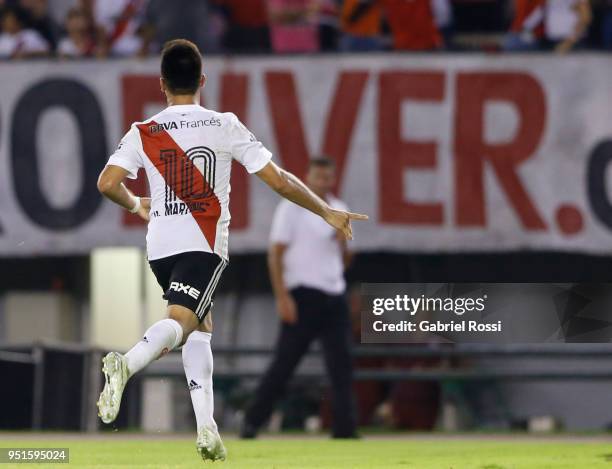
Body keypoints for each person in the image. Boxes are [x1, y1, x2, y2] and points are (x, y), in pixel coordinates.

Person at [95, 39, 367, 461]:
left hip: (160, 249)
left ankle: (207, 430)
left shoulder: (143, 131)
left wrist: (136, 204)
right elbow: (278, 179)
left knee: (201, 327)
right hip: (202, 246)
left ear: (162, 83)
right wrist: (325, 210)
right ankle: (126, 364)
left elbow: (107, 183)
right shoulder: (224, 124)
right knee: (182, 321)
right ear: (202, 80)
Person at [241, 157, 359, 439]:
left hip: (333, 293)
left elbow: (344, 261)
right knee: (283, 365)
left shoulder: (340, 209)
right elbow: (276, 254)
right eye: (317, 177)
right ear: (308, 177)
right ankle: (252, 422)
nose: (322, 182)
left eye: (327, 178)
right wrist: (282, 296)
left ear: (333, 179)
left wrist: (343, 245)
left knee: (341, 367)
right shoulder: (292, 209)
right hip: (302, 295)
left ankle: (345, 430)